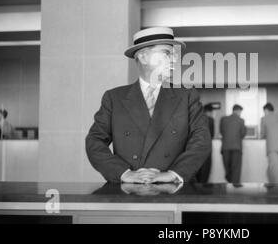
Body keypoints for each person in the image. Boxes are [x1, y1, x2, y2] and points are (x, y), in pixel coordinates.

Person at [86, 27, 211, 184]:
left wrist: (173, 174)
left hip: (174, 190)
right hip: (127, 192)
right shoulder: (114, 98)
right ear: (143, 57)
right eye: (167, 53)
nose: (174, 59)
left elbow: (201, 140)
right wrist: (123, 173)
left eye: (174, 54)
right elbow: (94, 141)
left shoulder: (186, 96)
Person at [260, 103, 278, 183]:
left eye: (264, 111)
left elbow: (263, 134)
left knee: (274, 172)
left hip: (272, 148)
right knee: (275, 170)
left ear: (266, 110)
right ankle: (270, 187)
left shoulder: (264, 118)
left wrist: (264, 135)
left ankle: (276, 192)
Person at [220, 104, 246, 184]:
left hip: (225, 148)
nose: (240, 113)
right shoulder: (241, 120)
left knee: (228, 169)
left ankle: (229, 184)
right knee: (236, 170)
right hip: (236, 148)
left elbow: (222, 132)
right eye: (240, 112)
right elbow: (243, 133)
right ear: (238, 111)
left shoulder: (223, 119)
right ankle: (235, 189)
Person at [195, 104, 215, 183]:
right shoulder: (210, 119)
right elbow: (212, 134)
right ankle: (203, 186)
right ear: (209, 111)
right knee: (206, 167)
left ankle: (196, 187)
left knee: (197, 166)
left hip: (195, 146)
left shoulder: (196, 119)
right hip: (206, 147)